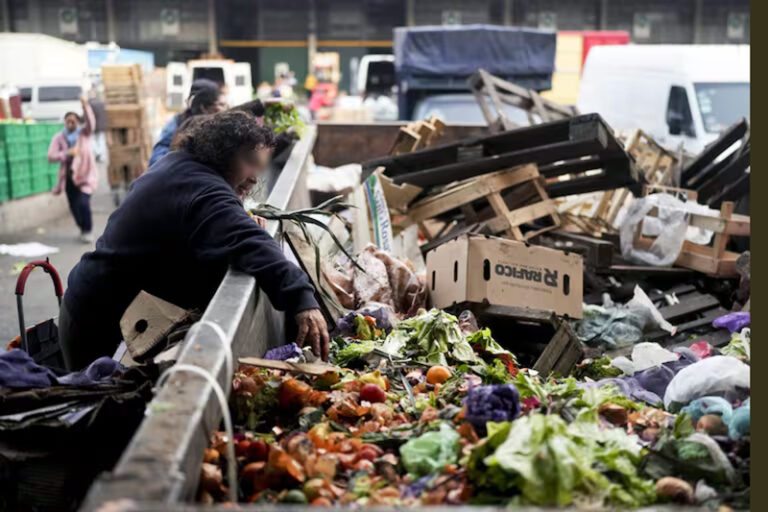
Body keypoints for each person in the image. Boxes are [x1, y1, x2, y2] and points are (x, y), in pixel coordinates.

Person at [59, 110, 329, 370]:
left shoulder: (181, 165)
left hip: (97, 305)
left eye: (258, 165)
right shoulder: (202, 187)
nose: (254, 177)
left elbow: (221, 224)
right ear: (222, 153)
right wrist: (302, 298)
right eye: (248, 160)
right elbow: (249, 241)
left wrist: (238, 215)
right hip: (98, 325)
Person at [48, 96, 97, 243]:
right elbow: (51, 156)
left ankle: (88, 230)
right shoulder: (59, 137)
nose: (71, 123)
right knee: (74, 207)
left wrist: (86, 106)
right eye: (68, 120)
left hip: (86, 176)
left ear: (78, 122)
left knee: (83, 203)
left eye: (73, 120)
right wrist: (67, 153)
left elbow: (91, 123)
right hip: (69, 178)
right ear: (65, 122)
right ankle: (82, 227)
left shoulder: (85, 134)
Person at [148, 79, 226, 167]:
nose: (224, 109)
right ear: (203, 107)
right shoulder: (177, 123)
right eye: (221, 104)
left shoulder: (219, 126)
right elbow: (156, 160)